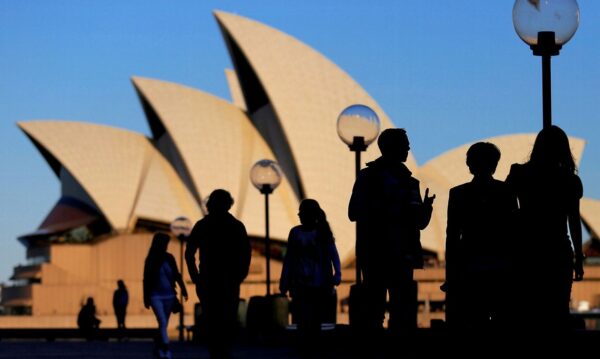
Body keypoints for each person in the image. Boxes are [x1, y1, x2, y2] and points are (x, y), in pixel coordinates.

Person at [348, 128, 435, 335]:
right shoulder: (375, 178)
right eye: (404, 144)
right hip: (385, 253)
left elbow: (419, 222)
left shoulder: (405, 181)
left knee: (394, 308)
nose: (408, 148)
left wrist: (426, 208)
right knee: (384, 308)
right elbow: (354, 212)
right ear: (391, 147)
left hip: (389, 253)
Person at [506, 125, 584, 331]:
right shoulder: (570, 180)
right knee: (557, 310)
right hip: (557, 250)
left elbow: (504, 207)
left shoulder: (519, 173)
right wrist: (578, 258)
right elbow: (574, 221)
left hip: (526, 250)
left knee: (527, 309)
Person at [443, 142, 518, 331]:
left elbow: (451, 236)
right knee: (503, 323)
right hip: (501, 268)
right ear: (495, 164)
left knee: (474, 323)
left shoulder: (458, 194)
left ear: (469, 165)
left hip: (469, 267)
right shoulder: (506, 192)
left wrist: (450, 274)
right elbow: (514, 232)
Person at [186, 189, 251, 359]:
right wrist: (240, 274)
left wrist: (195, 277)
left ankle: (216, 352)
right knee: (227, 317)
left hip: (208, 280)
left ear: (210, 204)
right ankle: (223, 351)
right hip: (228, 280)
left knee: (212, 318)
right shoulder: (236, 226)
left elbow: (189, 252)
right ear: (228, 205)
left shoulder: (202, 225)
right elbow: (246, 253)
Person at [279, 199, 342, 346]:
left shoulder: (321, 233)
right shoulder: (296, 233)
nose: (300, 216)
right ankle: (308, 344)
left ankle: (310, 344)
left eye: (301, 213)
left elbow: (334, 254)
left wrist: (337, 273)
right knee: (304, 317)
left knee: (312, 317)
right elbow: (289, 258)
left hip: (317, 283)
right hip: (302, 283)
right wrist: (285, 280)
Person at [144, 232, 188, 359]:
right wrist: (146, 298)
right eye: (165, 243)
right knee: (162, 321)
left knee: (163, 324)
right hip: (155, 296)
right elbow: (146, 279)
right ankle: (166, 349)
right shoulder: (151, 259)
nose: (166, 246)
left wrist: (183, 289)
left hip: (169, 295)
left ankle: (158, 348)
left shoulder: (170, 258)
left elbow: (176, 274)